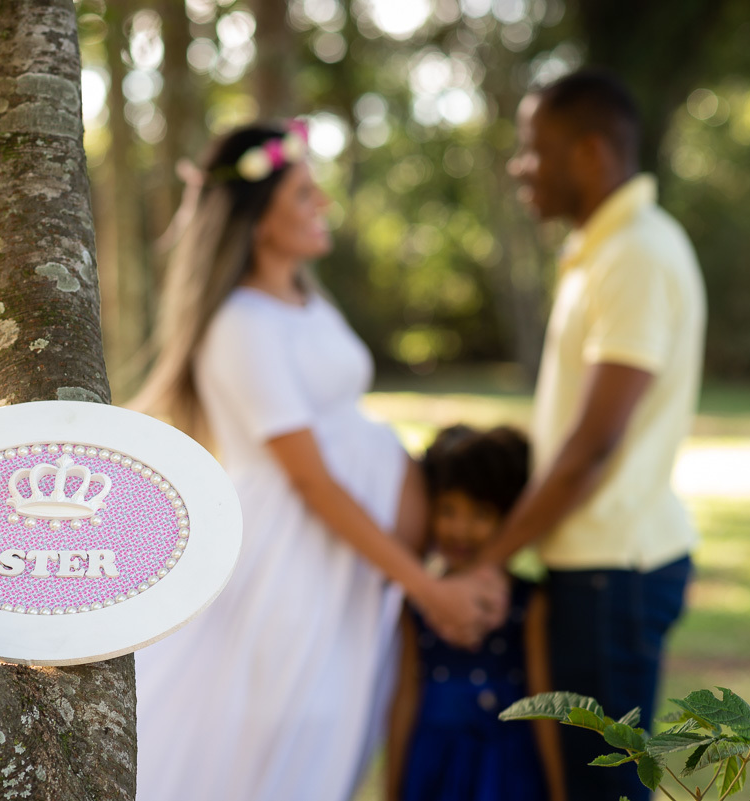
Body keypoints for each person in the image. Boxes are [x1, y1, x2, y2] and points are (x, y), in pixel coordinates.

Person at [131, 121, 507, 801]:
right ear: (260, 218)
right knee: (287, 739)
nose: (322, 204)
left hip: (343, 567)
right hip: (292, 566)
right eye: (304, 194)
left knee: (330, 744)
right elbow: (307, 478)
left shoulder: (306, 302)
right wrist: (426, 589)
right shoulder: (242, 323)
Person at [474, 69, 706, 800]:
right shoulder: (605, 248)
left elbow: (595, 443)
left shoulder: (635, 252)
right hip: (599, 569)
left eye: (533, 149)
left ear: (591, 153)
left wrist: (491, 557)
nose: (520, 166)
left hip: (615, 575)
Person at [387, 425, 565, 801]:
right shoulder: (415, 603)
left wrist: (557, 788)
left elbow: (543, 698)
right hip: (433, 760)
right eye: (448, 510)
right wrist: (392, 788)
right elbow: (404, 698)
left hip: (508, 766)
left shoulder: (529, 603)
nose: (461, 529)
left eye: (481, 513)